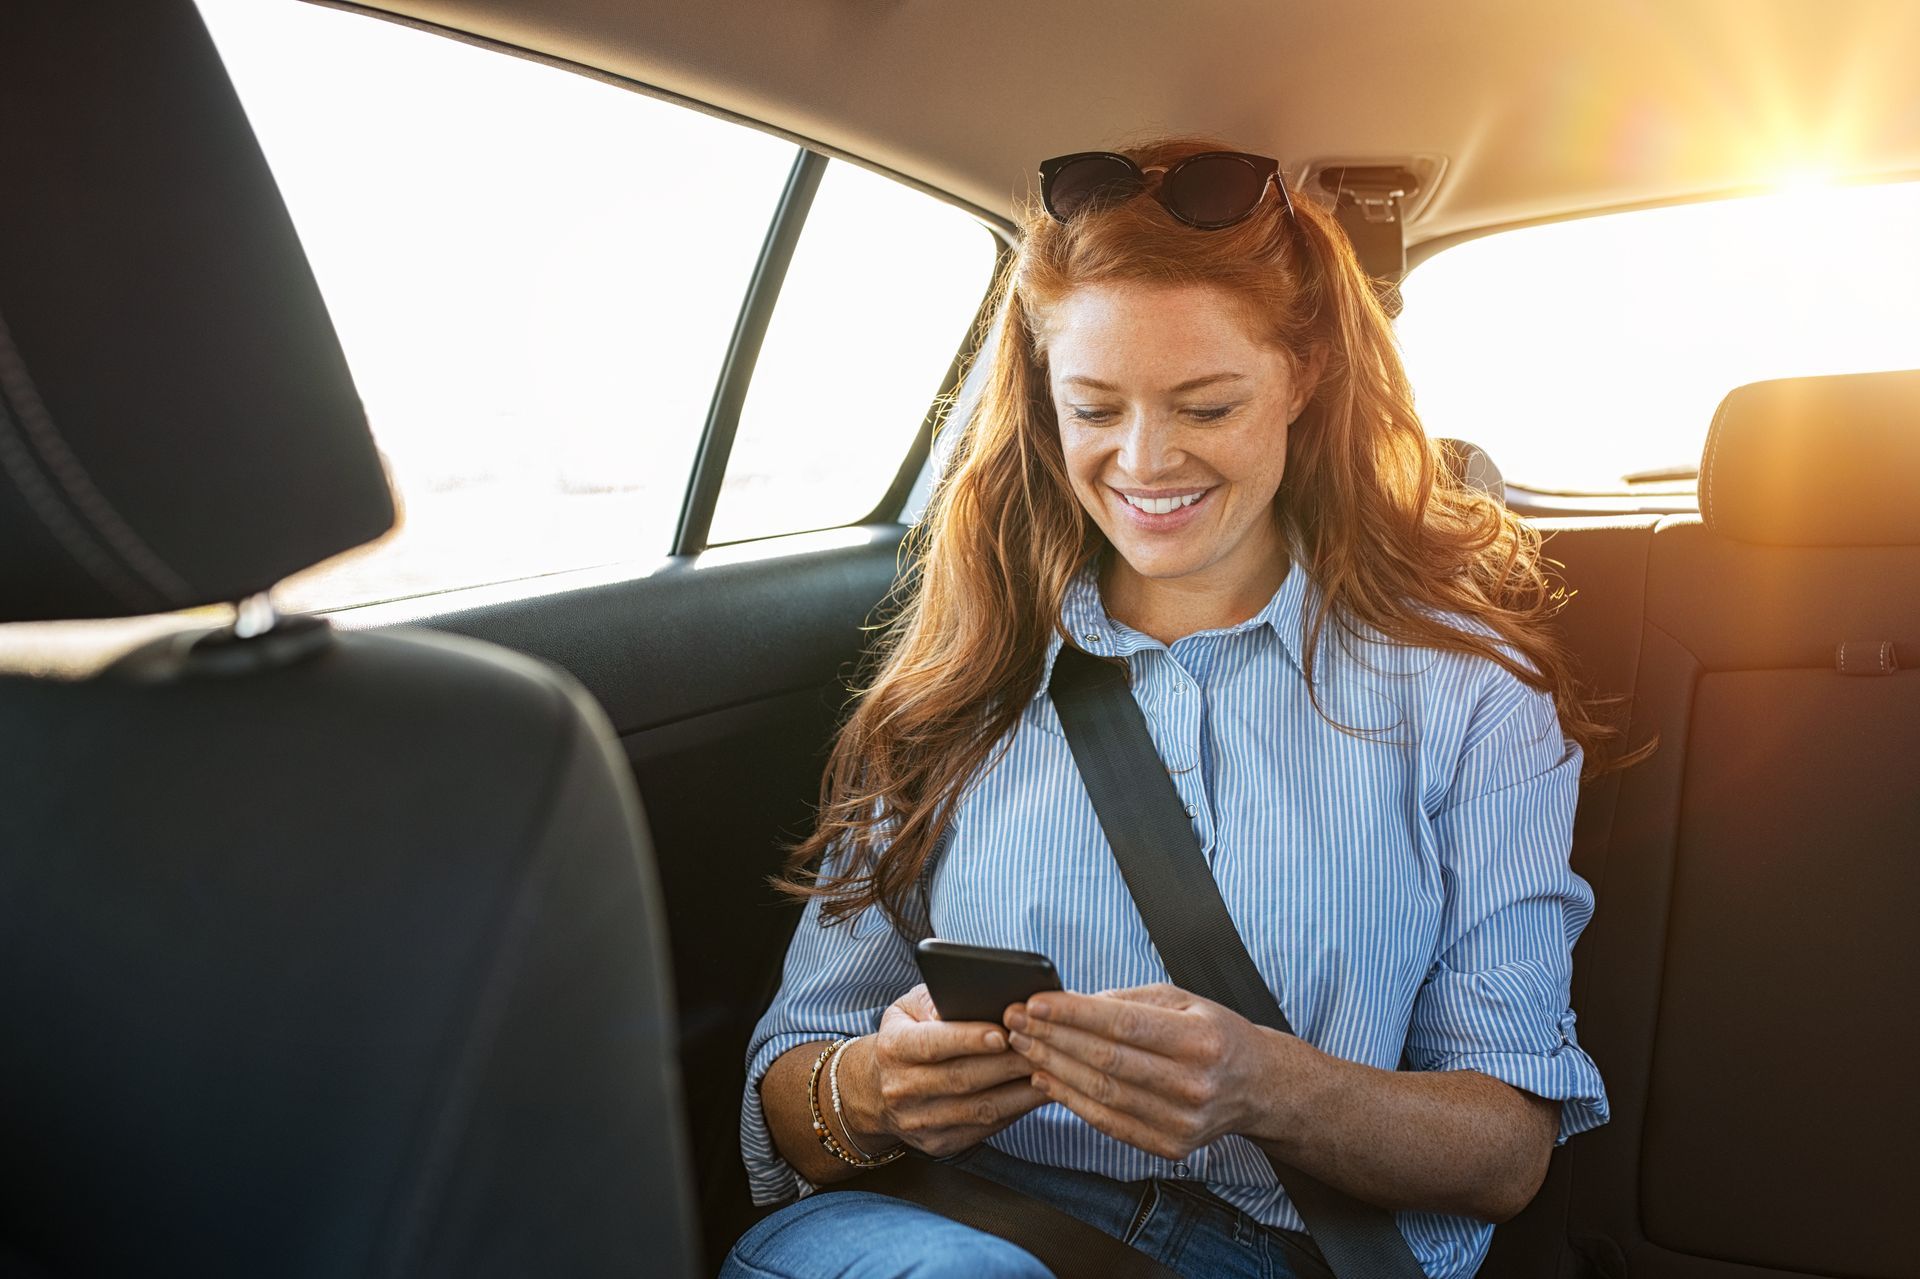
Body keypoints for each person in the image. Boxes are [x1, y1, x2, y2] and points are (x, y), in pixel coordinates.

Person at [719, 137, 1620, 1279]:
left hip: (1283, 1250)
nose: (1145, 464)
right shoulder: (960, 674)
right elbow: (792, 1089)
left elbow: (1504, 1150)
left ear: (1304, 375)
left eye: (1204, 404)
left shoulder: (1468, 695)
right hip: (945, 1222)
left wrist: (1268, 1085)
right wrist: (876, 1088)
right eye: (1094, 408)